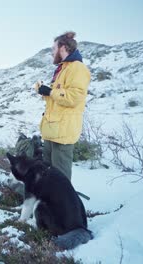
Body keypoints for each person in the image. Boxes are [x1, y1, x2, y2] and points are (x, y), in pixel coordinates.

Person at [34, 31, 91, 181]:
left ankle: (62, 204)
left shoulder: (77, 68)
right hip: (52, 131)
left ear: (63, 48)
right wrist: (45, 92)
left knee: (60, 180)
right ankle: (48, 203)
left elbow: (74, 97)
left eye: (54, 49)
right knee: (48, 177)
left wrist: (51, 91)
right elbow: (58, 99)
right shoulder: (62, 69)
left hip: (63, 134)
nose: (52, 52)